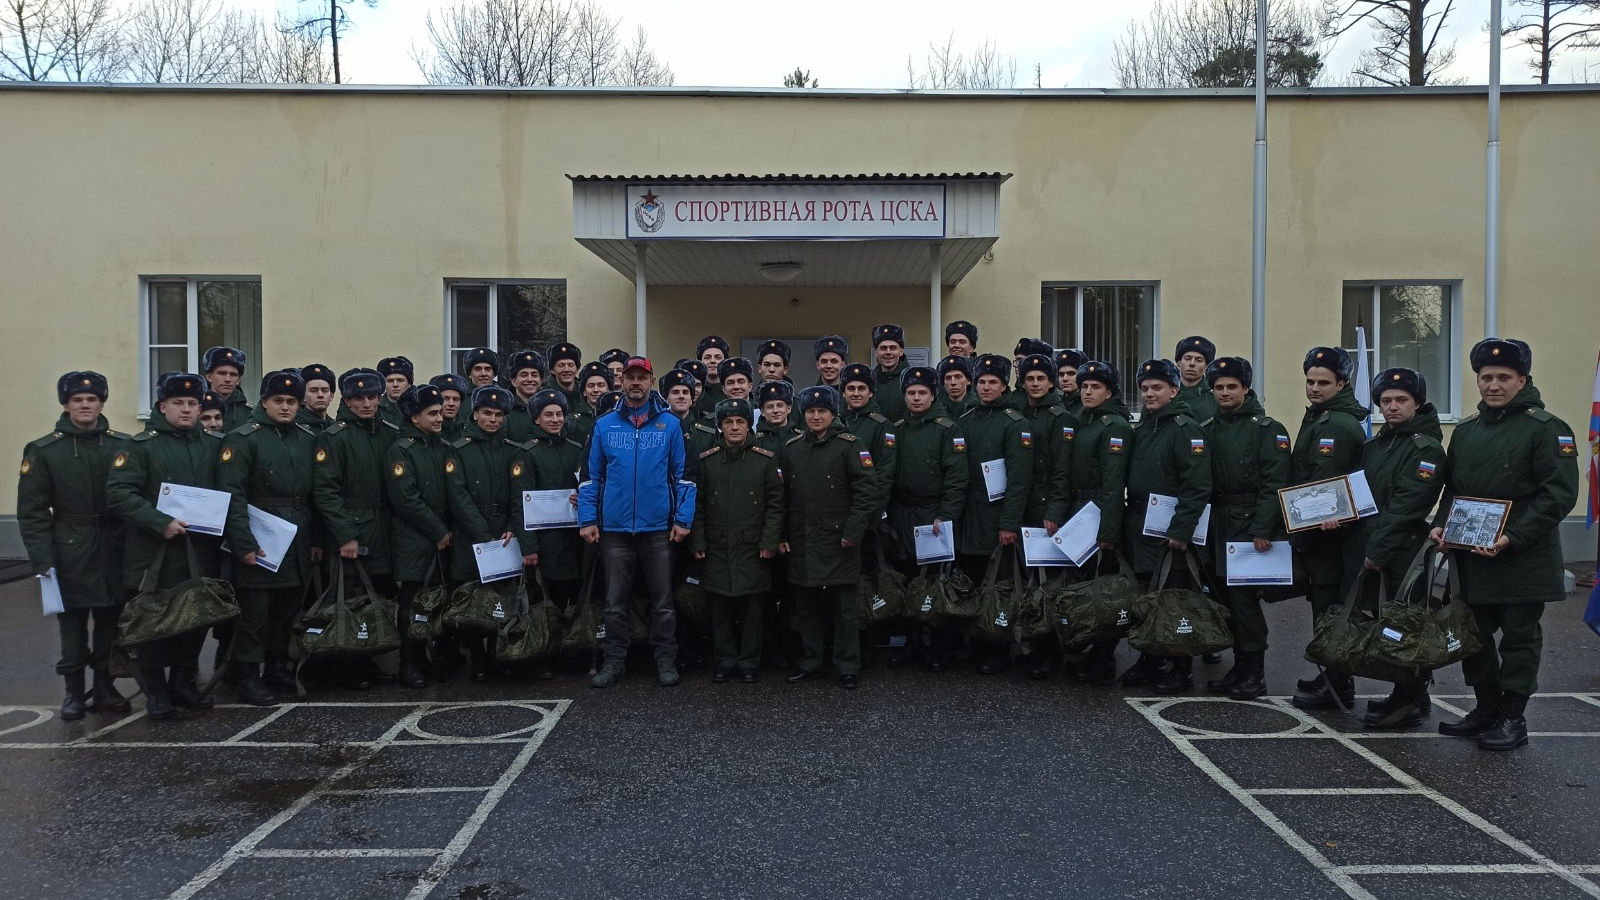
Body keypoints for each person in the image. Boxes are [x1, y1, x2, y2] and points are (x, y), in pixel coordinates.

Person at [1431, 339, 1579, 751]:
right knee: (1472, 635)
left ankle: (1513, 717)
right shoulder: (1465, 431)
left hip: (1521, 557)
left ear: (1522, 380)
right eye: (1486, 377)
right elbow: (1453, 489)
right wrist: (1443, 526)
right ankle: (1486, 708)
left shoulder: (1547, 429)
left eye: (1503, 378)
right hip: (1471, 556)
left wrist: (1513, 536)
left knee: (1518, 640)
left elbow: (1559, 495)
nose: (1493, 385)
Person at [104, 373, 223, 721]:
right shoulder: (141, 447)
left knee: (194, 618)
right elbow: (119, 494)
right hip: (154, 552)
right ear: (162, 406)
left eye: (192, 404)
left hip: (199, 550)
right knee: (153, 622)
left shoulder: (215, 446)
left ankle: (183, 684)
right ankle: (156, 691)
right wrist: (160, 522)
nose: (186, 410)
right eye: (178, 404)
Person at [17, 371, 131, 720]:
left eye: (92, 399)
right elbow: (32, 512)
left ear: (101, 403)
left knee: (112, 622)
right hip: (69, 547)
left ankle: (104, 686)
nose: (85, 405)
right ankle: (73, 692)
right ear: (65, 404)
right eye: (78, 400)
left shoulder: (122, 445)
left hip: (114, 544)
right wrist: (42, 559)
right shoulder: (44, 450)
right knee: (73, 626)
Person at [578, 357, 696, 689]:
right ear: (621, 382)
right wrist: (588, 519)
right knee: (615, 603)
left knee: (662, 601)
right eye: (629, 377)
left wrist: (682, 520)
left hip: (658, 528)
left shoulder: (670, 425)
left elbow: (683, 477)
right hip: (614, 530)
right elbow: (590, 478)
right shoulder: (605, 425)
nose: (635, 383)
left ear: (651, 381)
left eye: (641, 377)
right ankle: (614, 661)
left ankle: (665, 659)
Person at [1347, 367, 1446, 729]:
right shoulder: (1376, 445)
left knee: (1404, 623)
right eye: (1385, 401)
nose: (1392, 407)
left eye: (1401, 400)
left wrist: (1377, 551)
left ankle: (1407, 698)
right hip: (1376, 543)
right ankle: (1412, 694)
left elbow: (1407, 506)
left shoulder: (1426, 449)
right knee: (1390, 620)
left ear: (1417, 403)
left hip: (1402, 549)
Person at [218, 370, 319, 706]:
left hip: (297, 535)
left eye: (292, 401)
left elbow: (316, 494)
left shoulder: (305, 438)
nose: (286, 407)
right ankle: (248, 675)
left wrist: (316, 538)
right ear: (264, 402)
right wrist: (243, 543)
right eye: (279, 401)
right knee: (255, 614)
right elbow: (232, 494)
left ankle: (276, 668)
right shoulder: (244, 439)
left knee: (286, 610)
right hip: (261, 533)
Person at [1121, 358, 1213, 694]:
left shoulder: (1185, 429)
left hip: (1170, 529)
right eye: (1144, 388)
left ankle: (1180, 665)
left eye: (1156, 387)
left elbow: (1197, 486)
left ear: (1174, 390)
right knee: (1148, 594)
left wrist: (1180, 531)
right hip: (1142, 524)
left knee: (1175, 598)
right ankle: (1151, 657)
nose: (1148, 393)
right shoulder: (1147, 426)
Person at [1200, 357, 1289, 700]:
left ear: (1246, 389)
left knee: (1245, 602)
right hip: (1217, 523)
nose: (1224, 392)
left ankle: (1255, 671)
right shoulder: (1208, 428)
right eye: (1219, 387)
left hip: (1249, 525)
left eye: (1231, 387)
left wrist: (1262, 527)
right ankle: (1238, 666)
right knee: (1223, 597)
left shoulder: (1266, 428)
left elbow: (1274, 483)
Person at [1288, 346, 1368, 710]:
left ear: (1342, 383)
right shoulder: (1323, 416)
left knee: (1330, 605)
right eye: (1310, 381)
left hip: (1328, 533)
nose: (1314, 388)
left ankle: (1337, 683)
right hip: (1321, 531)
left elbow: (1323, 481)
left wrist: (1301, 528)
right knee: (1326, 604)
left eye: (1323, 382)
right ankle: (1333, 674)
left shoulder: (1335, 423)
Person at [780, 386, 877, 689]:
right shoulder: (792, 447)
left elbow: (866, 493)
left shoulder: (851, 445)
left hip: (839, 539)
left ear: (833, 414)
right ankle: (811, 662)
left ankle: (847, 665)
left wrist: (852, 532)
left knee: (844, 608)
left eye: (822, 411)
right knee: (806, 607)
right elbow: (780, 496)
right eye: (811, 411)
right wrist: (782, 534)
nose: (816, 416)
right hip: (802, 539)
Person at [312, 368, 399, 691]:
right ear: (347, 400)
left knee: (379, 594)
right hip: (353, 527)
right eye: (358, 398)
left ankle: (371, 658)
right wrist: (345, 534)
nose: (366, 403)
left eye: (372, 397)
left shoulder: (389, 432)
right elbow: (326, 491)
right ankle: (350, 666)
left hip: (384, 526)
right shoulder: (334, 437)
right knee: (350, 598)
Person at [692, 398, 784, 683]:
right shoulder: (706, 461)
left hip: (752, 546)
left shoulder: (765, 459)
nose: (734, 427)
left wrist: (769, 542)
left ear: (748, 426)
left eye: (740, 422)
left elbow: (775, 504)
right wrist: (698, 543)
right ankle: (725, 660)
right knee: (719, 608)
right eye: (728, 422)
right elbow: (698, 506)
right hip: (717, 545)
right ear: (720, 427)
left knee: (753, 609)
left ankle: (749, 662)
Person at [885, 367, 968, 671]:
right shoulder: (896, 430)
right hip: (902, 515)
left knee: (935, 582)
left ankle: (939, 646)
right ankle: (912, 642)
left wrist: (946, 514)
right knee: (905, 579)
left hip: (932, 516)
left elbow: (957, 478)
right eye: (911, 392)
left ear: (933, 395)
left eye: (922, 392)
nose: (916, 397)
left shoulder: (947, 429)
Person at [957, 354, 1033, 674]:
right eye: (982, 382)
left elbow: (1019, 480)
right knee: (971, 579)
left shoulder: (1016, 424)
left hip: (997, 514)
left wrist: (1009, 523)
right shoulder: (966, 419)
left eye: (993, 382)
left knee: (999, 585)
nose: (986, 387)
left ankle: (998, 645)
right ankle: (975, 641)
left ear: (1004, 386)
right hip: (968, 514)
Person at [445, 386, 525, 682]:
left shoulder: (512, 450)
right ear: (475, 414)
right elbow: (458, 495)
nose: (493, 419)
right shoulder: (459, 449)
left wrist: (512, 527)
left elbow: (519, 493)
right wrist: (481, 533)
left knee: (501, 596)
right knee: (471, 598)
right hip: (472, 535)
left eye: (499, 415)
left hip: (503, 533)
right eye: (487, 413)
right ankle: (477, 658)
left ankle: (497, 653)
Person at [1065, 361, 1135, 684]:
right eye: (1084, 386)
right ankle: (1093, 648)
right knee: (1084, 583)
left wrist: (1108, 531)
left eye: (1095, 387)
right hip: (1080, 508)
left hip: (1098, 510)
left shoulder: (1113, 426)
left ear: (1109, 391)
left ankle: (1104, 655)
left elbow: (1113, 483)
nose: (1088, 391)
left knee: (1104, 588)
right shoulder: (1086, 419)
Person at [384, 383, 453, 688]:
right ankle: (408, 662)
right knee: (411, 600)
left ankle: (425, 657)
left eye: (440, 413)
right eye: (433, 413)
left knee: (432, 600)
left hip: (440, 534)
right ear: (415, 417)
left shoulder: (440, 446)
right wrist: (437, 530)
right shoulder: (402, 450)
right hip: (414, 537)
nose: (440, 418)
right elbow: (406, 498)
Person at [1014, 352, 1076, 678]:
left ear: (1051, 381)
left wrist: (1054, 509)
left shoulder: (1060, 417)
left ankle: (1051, 651)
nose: (1035, 384)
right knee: (1028, 581)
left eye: (1041, 378)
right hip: (1023, 505)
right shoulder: (1021, 413)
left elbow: (1063, 471)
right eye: (1029, 379)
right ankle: (1033, 646)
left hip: (1046, 508)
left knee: (1048, 583)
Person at [521, 389, 586, 678]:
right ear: (536, 419)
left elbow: (589, 486)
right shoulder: (528, 454)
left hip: (577, 537)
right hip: (547, 539)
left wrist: (580, 497)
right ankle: (548, 652)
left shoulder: (576, 449)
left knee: (576, 594)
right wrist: (529, 546)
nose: (555, 419)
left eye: (559, 414)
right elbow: (520, 503)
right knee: (550, 597)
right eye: (548, 414)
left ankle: (573, 650)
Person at [662, 368, 718, 460]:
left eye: (685, 392)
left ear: (691, 399)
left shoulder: (708, 433)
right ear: (666, 398)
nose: (681, 396)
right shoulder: (656, 429)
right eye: (675, 392)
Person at [203, 346, 252, 431]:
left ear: (238, 380)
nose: (228, 379)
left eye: (233, 375)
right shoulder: (196, 408)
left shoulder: (250, 414)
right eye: (222, 373)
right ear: (209, 377)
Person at [502, 349, 546, 443]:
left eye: (534, 375)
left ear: (541, 381)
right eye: (524, 375)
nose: (530, 379)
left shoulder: (549, 408)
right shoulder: (505, 411)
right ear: (514, 381)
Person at [1174, 336, 1219, 423]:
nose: (1192, 363)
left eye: (1199, 360)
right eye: (1187, 358)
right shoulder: (1168, 395)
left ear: (1206, 366)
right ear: (1178, 363)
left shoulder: (1216, 397)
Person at [870, 324, 909, 422]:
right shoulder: (869, 380)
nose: (888, 352)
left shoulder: (911, 379)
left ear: (901, 351)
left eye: (892, 348)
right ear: (876, 352)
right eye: (883, 348)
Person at [568, 362, 613, 445]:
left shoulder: (616, 414)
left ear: (609, 389)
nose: (596, 390)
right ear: (584, 391)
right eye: (591, 386)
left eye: (601, 385)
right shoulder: (573, 421)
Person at [755, 379, 801, 453]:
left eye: (780, 406)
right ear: (762, 411)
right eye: (770, 407)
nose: (775, 410)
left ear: (789, 408)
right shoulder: (754, 442)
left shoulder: (801, 439)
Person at [693, 335, 730, 416]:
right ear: (700, 362)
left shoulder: (732, 391)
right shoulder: (693, 392)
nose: (712, 361)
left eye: (718, 357)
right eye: (707, 357)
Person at [430, 373, 471, 441]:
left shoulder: (468, 431)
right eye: (445, 399)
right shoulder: (428, 429)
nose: (451, 404)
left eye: (456, 399)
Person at [375, 356, 414, 427]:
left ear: (409, 384)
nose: (395, 385)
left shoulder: (418, 408)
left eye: (400, 380)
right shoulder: (375, 409)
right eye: (390, 381)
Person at [298, 364, 337, 433]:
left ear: (331, 395)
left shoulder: (335, 427)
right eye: (313, 391)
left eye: (324, 390)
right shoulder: (296, 427)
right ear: (303, 396)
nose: (320, 395)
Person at [547, 342, 584, 412]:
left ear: (577, 369)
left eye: (570, 365)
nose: (566, 369)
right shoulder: (543, 394)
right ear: (552, 370)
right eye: (561, 365)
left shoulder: (585, 392)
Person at [1054, 348, 1087, 419]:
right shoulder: (1054, 402)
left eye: (1071, 373)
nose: (1065, 379)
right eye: (1061, 374)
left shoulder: (1089, 405)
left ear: (1082, 375)